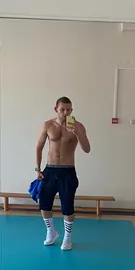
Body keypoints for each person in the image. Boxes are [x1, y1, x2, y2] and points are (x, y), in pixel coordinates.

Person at [35, 97, 91, 250]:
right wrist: (38, 169)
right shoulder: (48, 125)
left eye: (69, 109)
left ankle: (67, 237)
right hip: (50, 170)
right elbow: (39, 147)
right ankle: (51, 232)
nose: (66, 112)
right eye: (63, 109)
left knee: (68, 206)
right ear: (56, 109)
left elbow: (87, 149)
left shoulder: (78, 126)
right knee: (44, 205)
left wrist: (77, 133)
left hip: (68, 171)